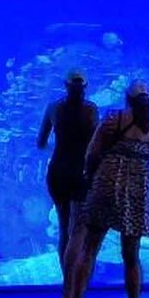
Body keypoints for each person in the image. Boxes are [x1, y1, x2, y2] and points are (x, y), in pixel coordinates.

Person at [61, 80, 149, 298]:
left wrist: (90, 177)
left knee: (90, 248)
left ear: (127, 100)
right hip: (138, 194)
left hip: (107, 188)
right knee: (131, 255)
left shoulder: (114, 120)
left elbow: (92, 153)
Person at [37, 71, 99, 273]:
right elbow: (96, 144)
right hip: (82, 173)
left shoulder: (54, 108)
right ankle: (76, 284)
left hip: (58, 171)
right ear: (85, 87)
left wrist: (57, 148)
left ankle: (67, 281)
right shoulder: (90, 110)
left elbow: (41, 142)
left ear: (65, 86)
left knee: (64, 227)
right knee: (79, 229)